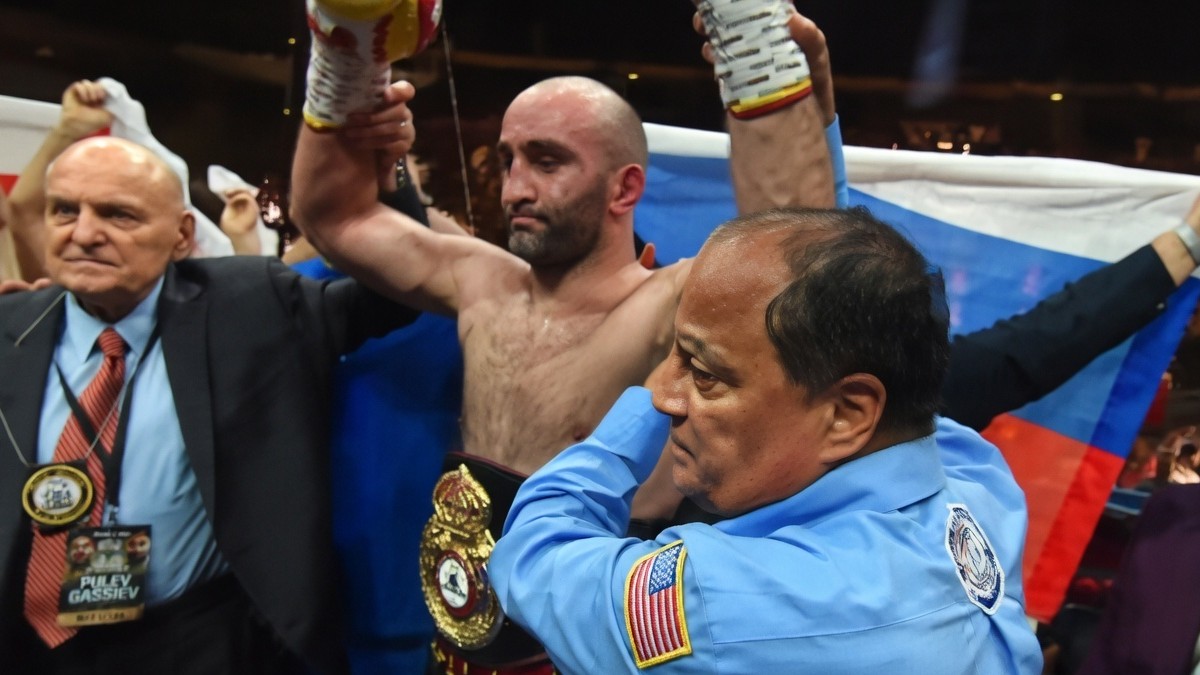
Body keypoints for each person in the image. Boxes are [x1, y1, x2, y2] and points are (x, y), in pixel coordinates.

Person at [489, 207, 1043, 673]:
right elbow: (863, 306)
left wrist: (633, 414)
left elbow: (534, 558)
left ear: (846, 415)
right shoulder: (976, 474)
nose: (671, 397)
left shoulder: (728, 604)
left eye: (704, 373)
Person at [0, 132, 417, 674]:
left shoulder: (248, 305)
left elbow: (392, 296)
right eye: (64, 210)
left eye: (118, 215)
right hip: (26, 647)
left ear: (182, 235)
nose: (83, 233)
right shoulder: (12, 327)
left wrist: (390, 173)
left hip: (197, 641)